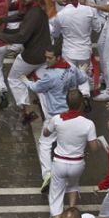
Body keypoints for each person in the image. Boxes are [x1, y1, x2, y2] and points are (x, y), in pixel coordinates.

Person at [23, 48, 88, 193]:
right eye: (46, 57)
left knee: (45, 144)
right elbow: (82, 79)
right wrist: (82, 70)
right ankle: (68, 179)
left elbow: (37, 87)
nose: (47, 60)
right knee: (67, 145)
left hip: (56, 117)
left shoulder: (50, 75)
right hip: (72, 114)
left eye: (50, 58)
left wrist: (25, 81)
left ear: (58, 57)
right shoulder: (71, 67)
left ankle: (47, 174)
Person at [0, 0, 51, 125]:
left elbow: (21, 37)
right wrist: (1, 19)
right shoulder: (33, 8)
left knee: (14, 79)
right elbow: (20, 16)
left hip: (32, 56)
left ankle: (27, 111)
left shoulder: (34, 13)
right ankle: (49, 116)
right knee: (42, 87)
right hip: (44, 54)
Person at [45, 92, 100, 218]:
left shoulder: (58, 119)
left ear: (67, 102)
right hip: (77, 163)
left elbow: (46, 132)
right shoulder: (88, 124)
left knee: (55, 195)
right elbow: (94, 147)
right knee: (73, 186)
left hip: (60, 163)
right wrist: (99, 142)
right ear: (82, 103)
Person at [51, 0, 101, 99]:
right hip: (84, 51)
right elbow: (97, 27)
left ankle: (73, 101)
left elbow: (55, 34)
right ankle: (85, 95)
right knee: (83, 75)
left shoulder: (61, 14)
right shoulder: (88, 11)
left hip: (69, 52)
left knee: (71, 78)